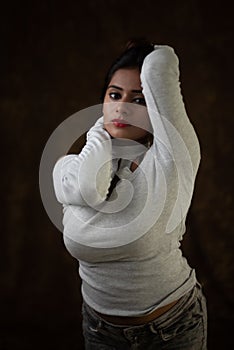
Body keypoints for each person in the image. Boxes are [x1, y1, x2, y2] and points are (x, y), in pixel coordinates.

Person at [52, 39, 207, 349]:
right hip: (100, 330)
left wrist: (145, 49)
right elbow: (87, 188)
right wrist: (100, 131)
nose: (122, 107)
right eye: (114, 95)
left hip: (173, 326)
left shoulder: (173, 159)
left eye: (139, 100)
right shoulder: (71, 168)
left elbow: (161, 65)